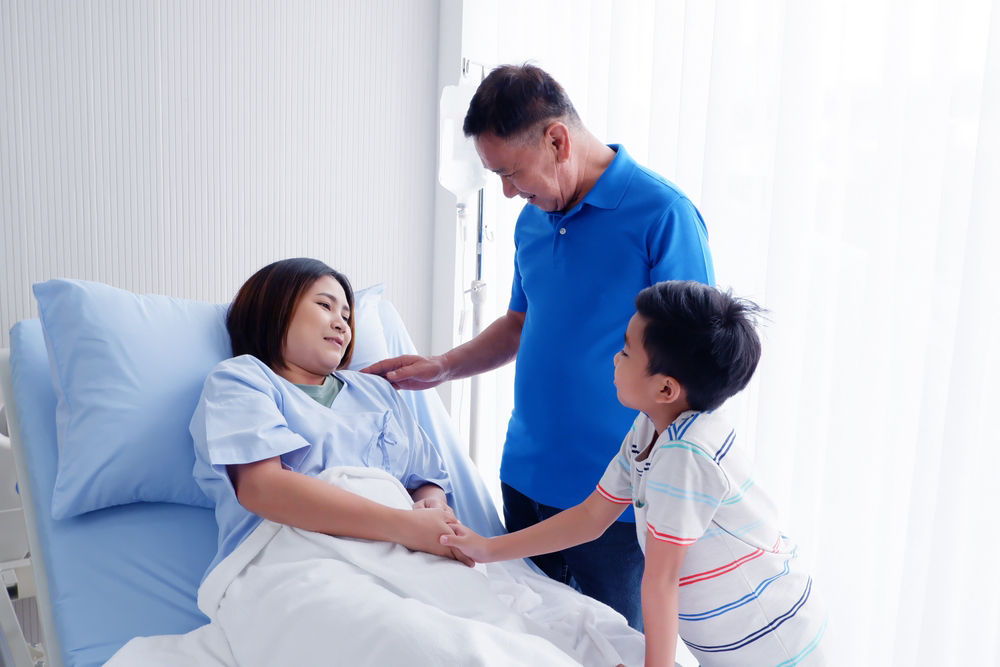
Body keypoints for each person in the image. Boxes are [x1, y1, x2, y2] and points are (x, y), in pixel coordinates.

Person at [363, 63, 715, 629]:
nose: (507, 192)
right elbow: (520, 324)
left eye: (511, 172)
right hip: (525, 483)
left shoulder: (663, 215)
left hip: (615, 506)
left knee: (614, 648)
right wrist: (442, 366)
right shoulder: (534, 220)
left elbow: (697, 366)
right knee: (532, 643)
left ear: (556, 139)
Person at [441, 281, 828, 667]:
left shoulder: (685, 455)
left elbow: (662, 581)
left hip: (776, 644)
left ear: (665, 389)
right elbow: (592, 517)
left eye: (626, 350)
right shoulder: (650, 427)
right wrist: (488, 549)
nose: (615, 358)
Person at [190, 257, 472, 578]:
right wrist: (406, 526)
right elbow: (262, 488)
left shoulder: (377, 391)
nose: (342, 324)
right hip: (295, 563)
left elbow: (427, 479)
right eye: (325, 305)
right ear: (273, 310)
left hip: (405, 554)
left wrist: (433, 508)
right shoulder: (242, 380)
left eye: (347, 316)